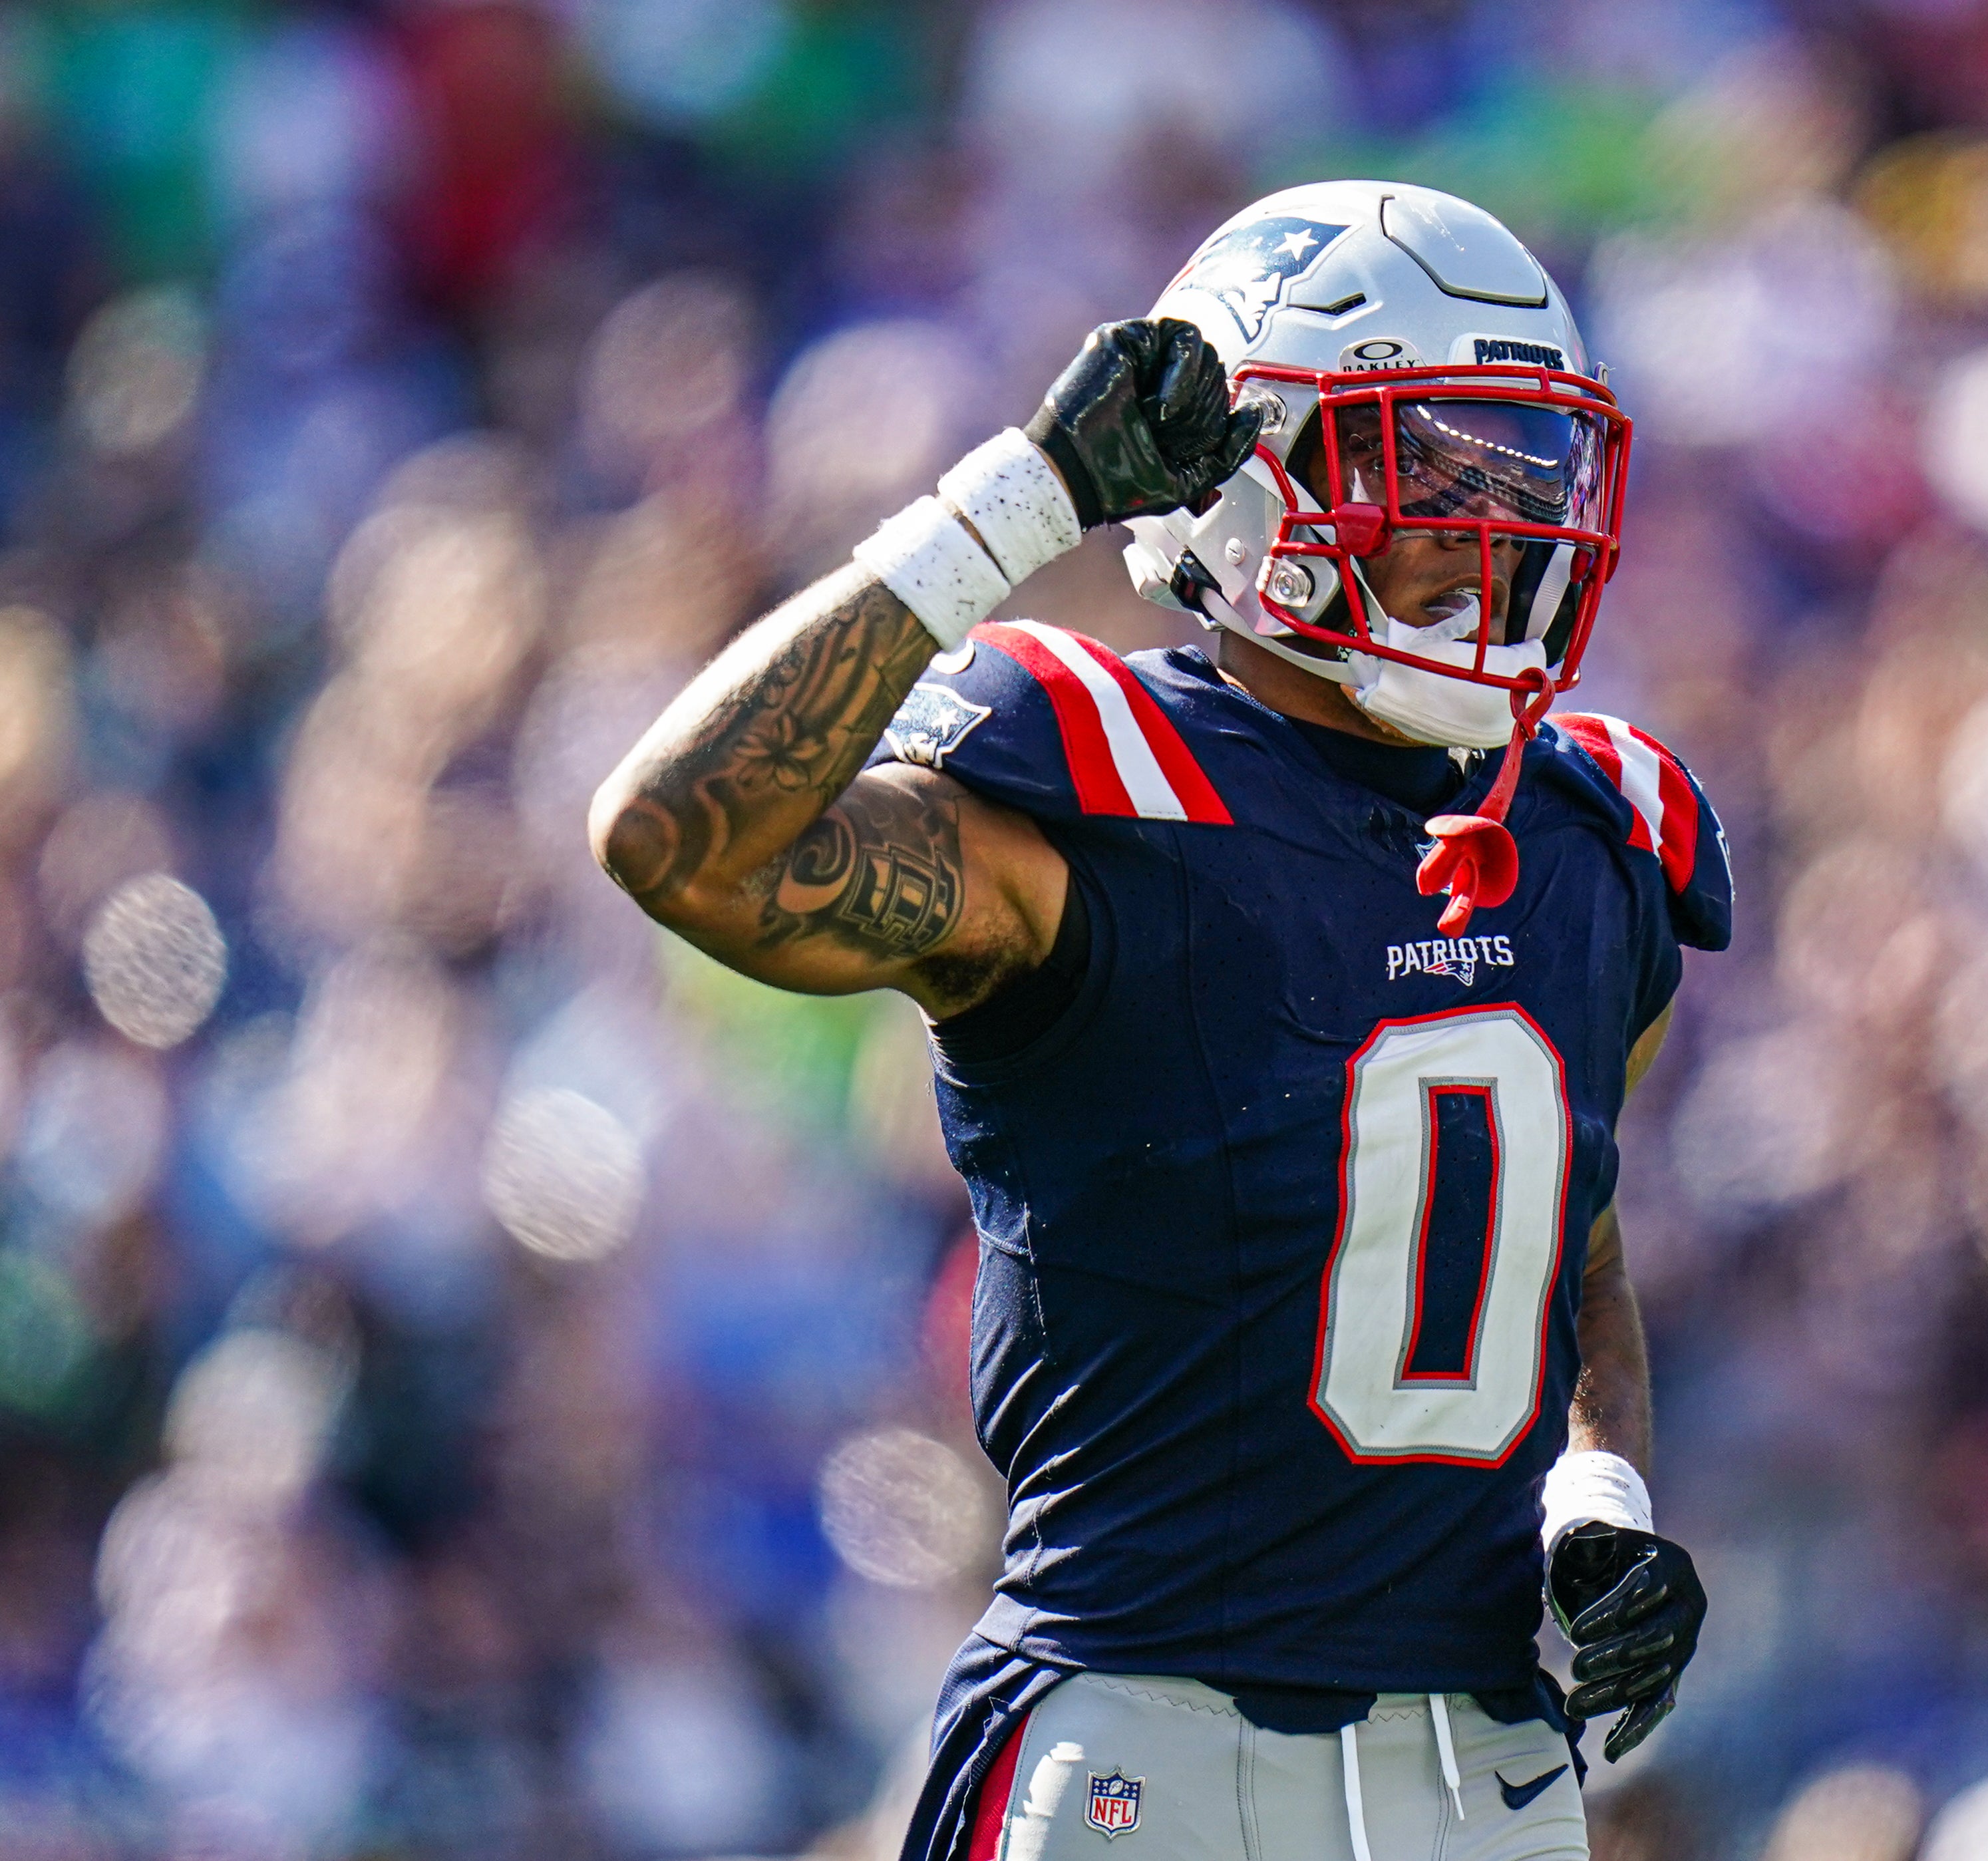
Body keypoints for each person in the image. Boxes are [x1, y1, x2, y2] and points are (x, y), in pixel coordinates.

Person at [590, 180, 1728, 1861]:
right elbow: (678, 836)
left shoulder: (1592, 836)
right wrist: (1022, 497)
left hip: (1486, 1768)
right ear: (1256, 476)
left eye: (1524, 471)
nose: (1491, 530)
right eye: (1431, 468)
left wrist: (1600, 1492)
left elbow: (1573, 1251)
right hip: (1140, 1746)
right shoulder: (1094, 780)